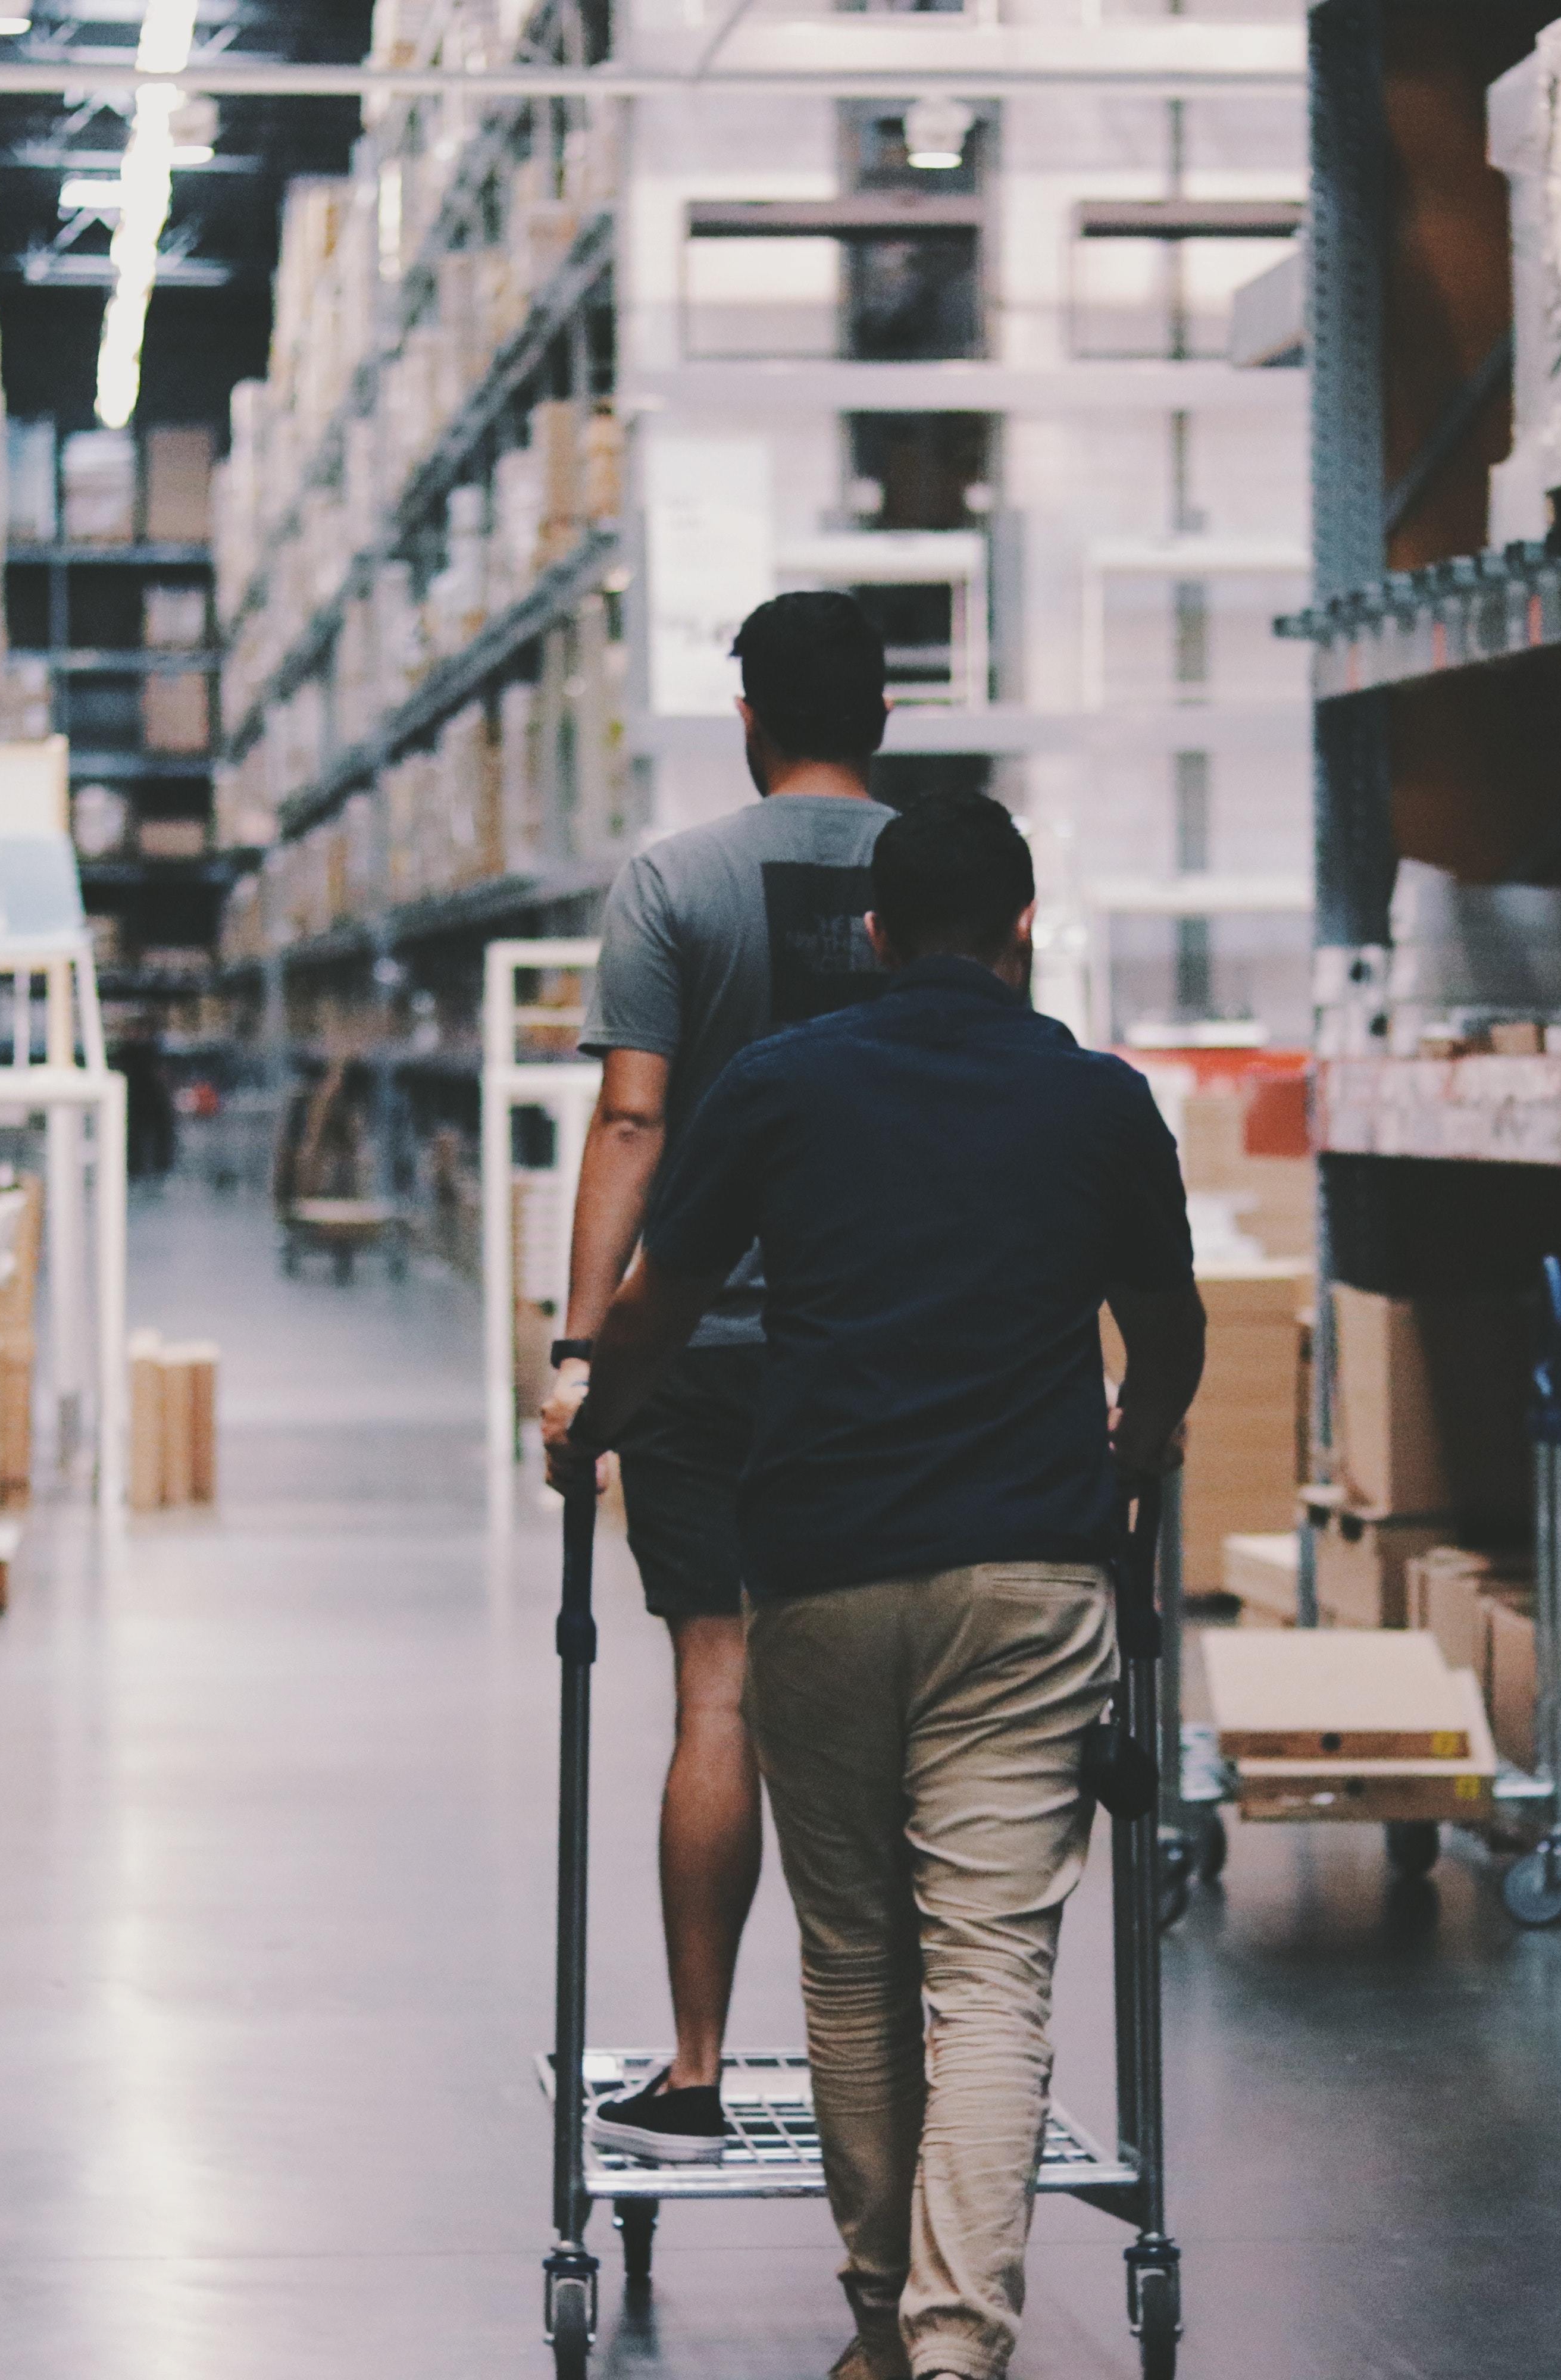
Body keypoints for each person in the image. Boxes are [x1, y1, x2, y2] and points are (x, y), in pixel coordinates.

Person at [548, 793, 1207, 2380]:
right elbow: (1168, 1326)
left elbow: (656, 1307)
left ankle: (872, 2326)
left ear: (876, 936)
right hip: (1032, 1579)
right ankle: (956, 2345)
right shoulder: (1102, 1101)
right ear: (1024, 929)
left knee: (854, 1965)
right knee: (991, 1972)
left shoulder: (778, 1088)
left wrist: (592, 1419)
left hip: (824, 1575)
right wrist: (1139, 1441)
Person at [551, 591, 897, 2161]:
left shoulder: (675, 883)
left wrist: (580, 1349)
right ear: (882, 718)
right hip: (891, 1349)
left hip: (706, 1349)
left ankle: (695, 2075)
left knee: (719, 1690)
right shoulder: (945, 878)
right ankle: (900, 2069)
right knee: (895, 1701)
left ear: (747, 718)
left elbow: (632, 1123)